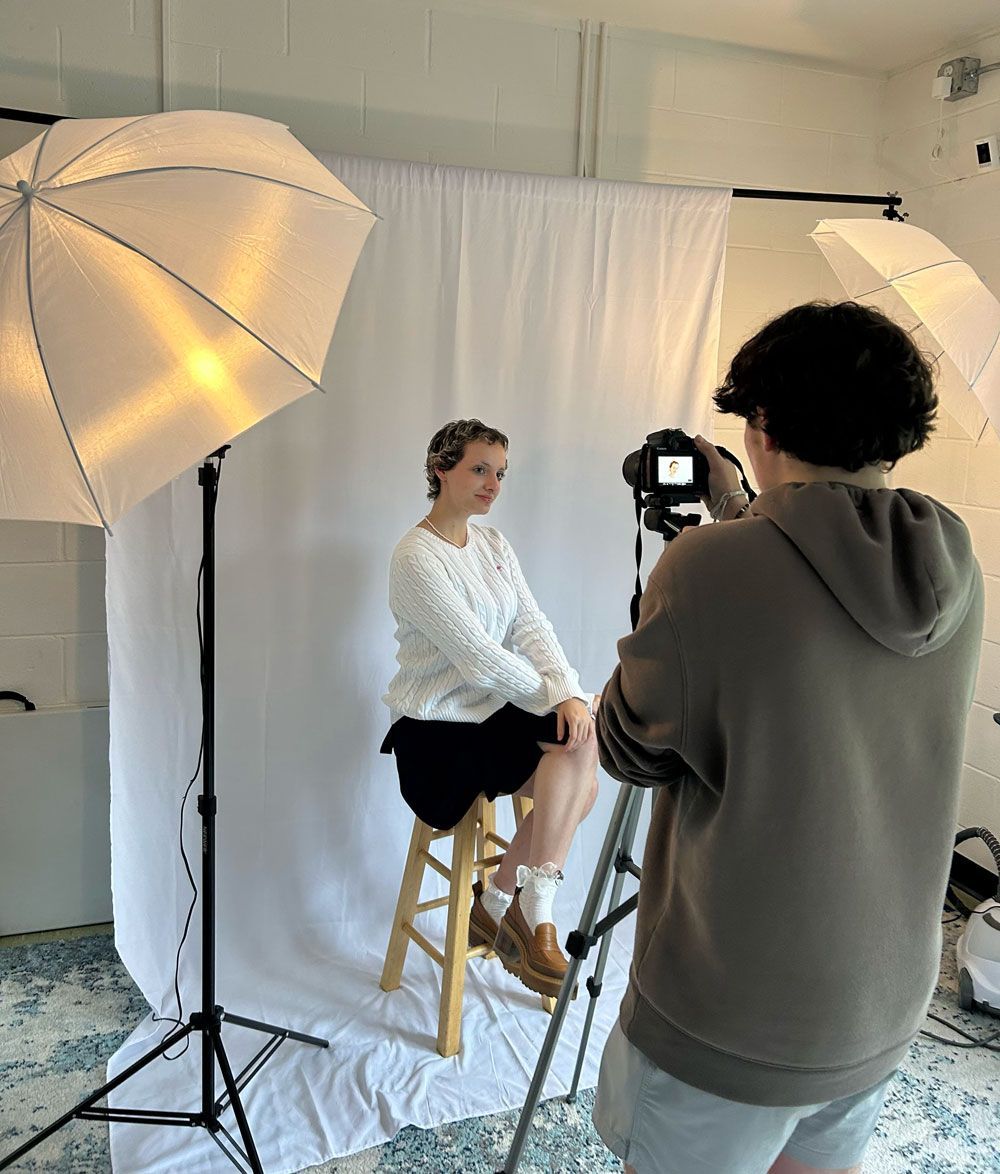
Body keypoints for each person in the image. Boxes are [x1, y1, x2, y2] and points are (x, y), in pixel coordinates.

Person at [592, 301, 984, 1174]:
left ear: (762, 423)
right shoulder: (954, 558)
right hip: (878, 1002)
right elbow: (816, 574)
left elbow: (628, 749)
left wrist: (662, 619)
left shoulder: (705, 567)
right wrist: (736, 502)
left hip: (734, 1015)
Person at [381, 418, 600, 999]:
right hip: (436, 730)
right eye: (479, 469)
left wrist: (569, 692)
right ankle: (519, 909)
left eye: (500, 473)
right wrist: (563, 699)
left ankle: (510, 900)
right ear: (441, 469)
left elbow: (532, 626)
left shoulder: (494, 544)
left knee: (581, 750)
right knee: (577, 763)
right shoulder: (415, 556)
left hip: (491, 711)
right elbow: (479, 658)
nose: (492, 484)